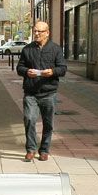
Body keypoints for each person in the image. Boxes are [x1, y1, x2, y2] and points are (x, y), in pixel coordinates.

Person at [16, 21, 66, 162]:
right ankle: (31, 149)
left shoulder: (56, 49)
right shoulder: (27, 49)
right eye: (35, 31)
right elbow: (19, 68)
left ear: (47, 33)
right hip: (31, 93)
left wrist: (52, 72)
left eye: (40, 31)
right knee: (29, 119)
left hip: (49, 93)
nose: (36, 34)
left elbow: (62, 69)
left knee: (48, 123)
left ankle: (44, 150)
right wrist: (27, 72)